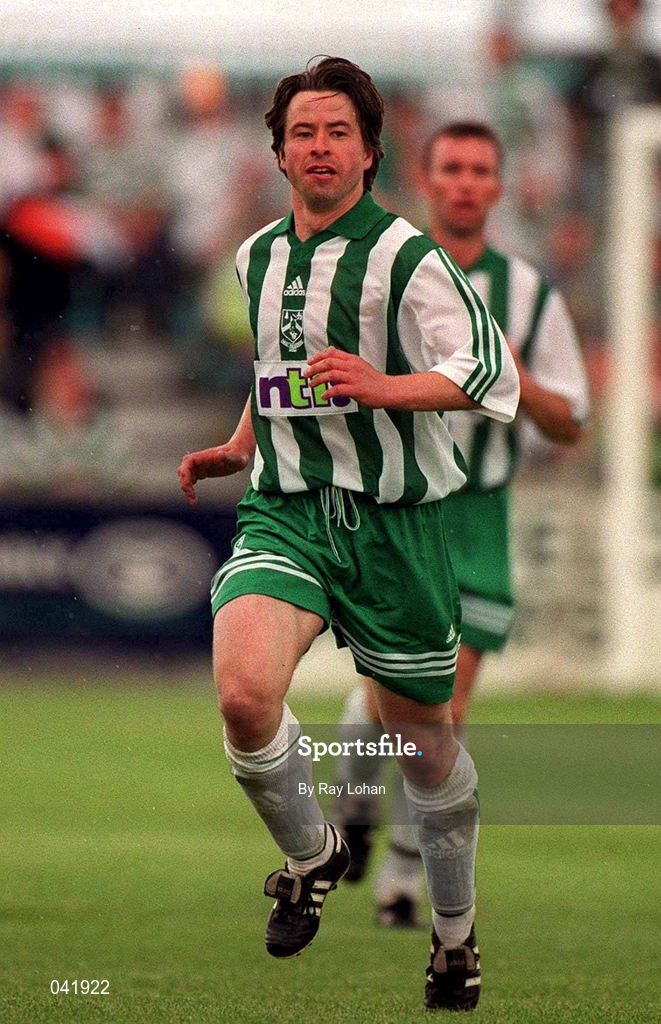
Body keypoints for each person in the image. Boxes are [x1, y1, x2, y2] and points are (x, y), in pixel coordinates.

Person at [178, 60, 519, 1012]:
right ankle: (314, 853)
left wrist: (385, 385)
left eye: (336, 132)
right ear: (277, 149)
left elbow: (489, 370)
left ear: (369, 151)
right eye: (301, 132)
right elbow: (276, 367)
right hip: (286, 511)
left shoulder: (406, 255)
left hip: (397, 529)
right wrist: (237, 444)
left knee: (426, 749)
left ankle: (453, 939)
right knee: (245, 697)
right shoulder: (256, 257)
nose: (318, 147)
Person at [333, 121, 589, 927]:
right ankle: (358, 783)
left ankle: (402, 881)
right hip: (401, 506)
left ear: (499, 186)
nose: (466, 182)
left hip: (477, 515)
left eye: (481, 169)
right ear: (426, 177)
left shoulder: (528, 294)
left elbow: (569, 424)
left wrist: (514, 380)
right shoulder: (386, 275)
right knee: (390, 696)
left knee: (445, 703)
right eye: (452, 168)